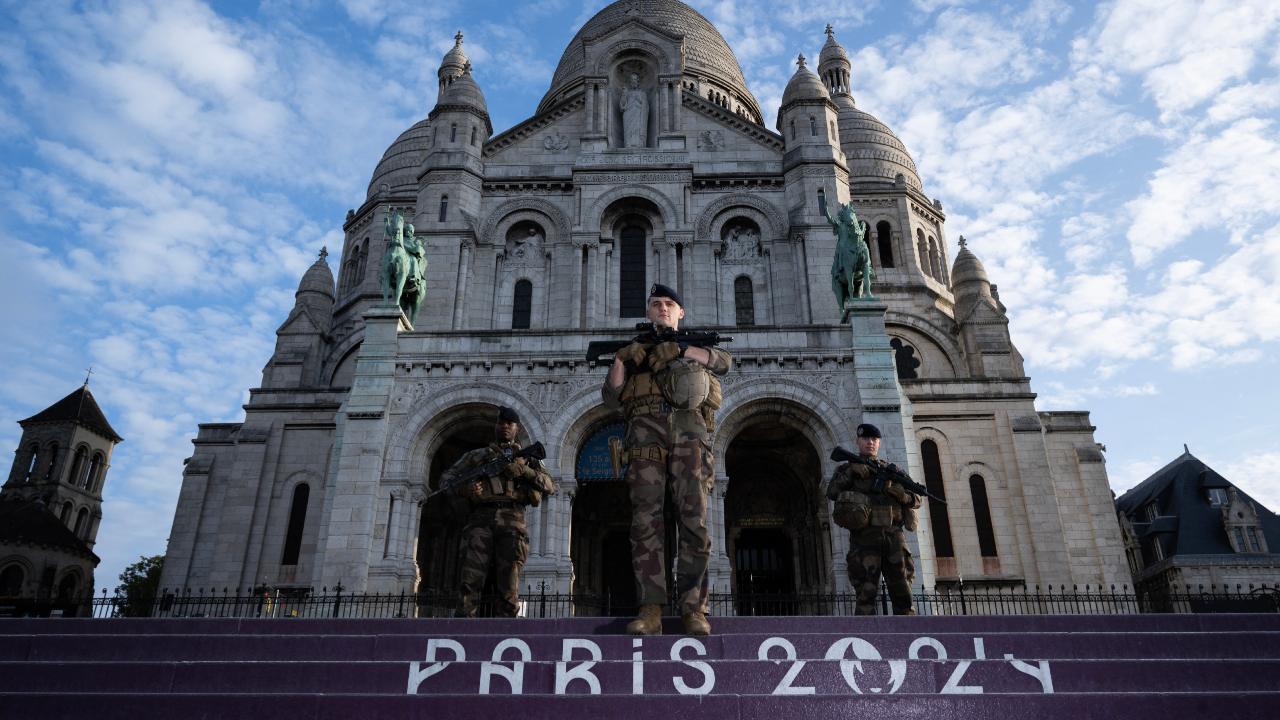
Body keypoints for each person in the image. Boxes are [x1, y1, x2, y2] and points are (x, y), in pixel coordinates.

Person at [602, 284, 732, 635]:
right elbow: (612, 398)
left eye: (669, 304)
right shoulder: (634, 349)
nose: (662, 308)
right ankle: (651, 610)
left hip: (689, 432)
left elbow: (723, 361)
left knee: (695, 521)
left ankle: (694, 610)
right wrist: (620, 360)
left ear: (680, 312)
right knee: (646, 522)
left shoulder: (695, 345)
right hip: (644, 434)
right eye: (656, 304)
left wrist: (681, 350)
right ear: (647, 312)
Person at [445, 406, 555, 617]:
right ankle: (464, 625)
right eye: (501, 423)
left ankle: (505, 626)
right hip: (480, 518)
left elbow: (549, 486)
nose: (505, 427)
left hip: (513, 520)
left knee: (509, 582)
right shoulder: (476, 457)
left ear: (517, 428)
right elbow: (447, 480)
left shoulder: (528, 458)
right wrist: (466, 489)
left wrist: (525, 470)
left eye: (509, 424)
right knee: (471, 577)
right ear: (495, 426)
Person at [826, 423, 921, 615]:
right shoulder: (847, 469)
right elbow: (832, 492)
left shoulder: (893, 471)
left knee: (903, 590)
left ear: (879, 443)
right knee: (865, 593)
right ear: (858, 441)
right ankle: (865, 637)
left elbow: (916, 498)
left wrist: (902, 495)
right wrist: (852, 472)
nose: (870, 443)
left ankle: (908, 634)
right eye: (866, 439)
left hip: (893, 536)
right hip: (864, 538)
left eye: (874, 440)